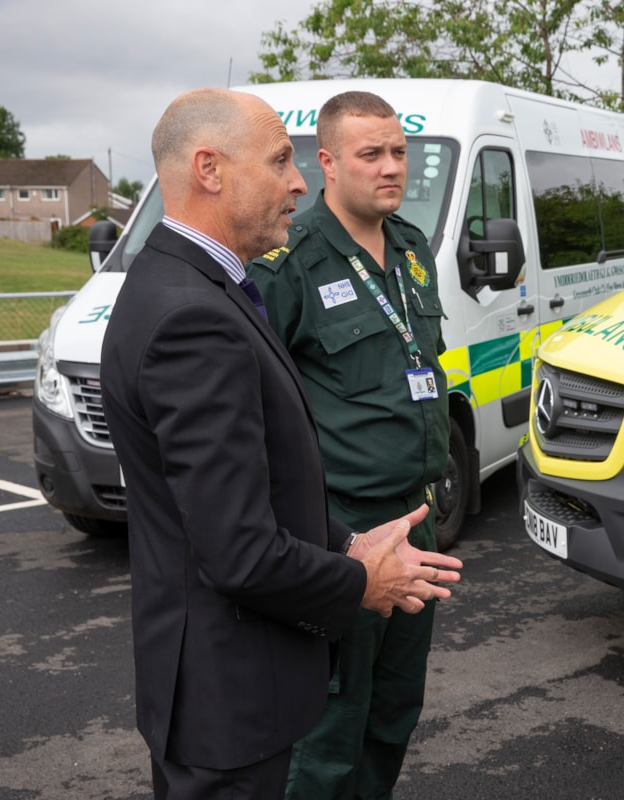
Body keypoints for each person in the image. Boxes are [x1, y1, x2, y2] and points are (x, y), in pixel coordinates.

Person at [99, 88, 463, 800]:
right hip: (229, 696)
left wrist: (346, 543)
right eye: (279, 163)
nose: (298, 182)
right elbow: (237, 548)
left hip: (255, 653)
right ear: (210, 169)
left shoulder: (198, 285)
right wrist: (361, 579)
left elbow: (259, 478)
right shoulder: (192, 317)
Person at [248, 91, 449, 799]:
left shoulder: (412, 247)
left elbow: (422, 360)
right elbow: (256, 404)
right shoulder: (288, 262)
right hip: (341, 532)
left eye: (399, 152)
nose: (391, 167)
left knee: (393, 716)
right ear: (327, 163)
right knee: (329, 729)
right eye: (372, 154)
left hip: (414, 522)